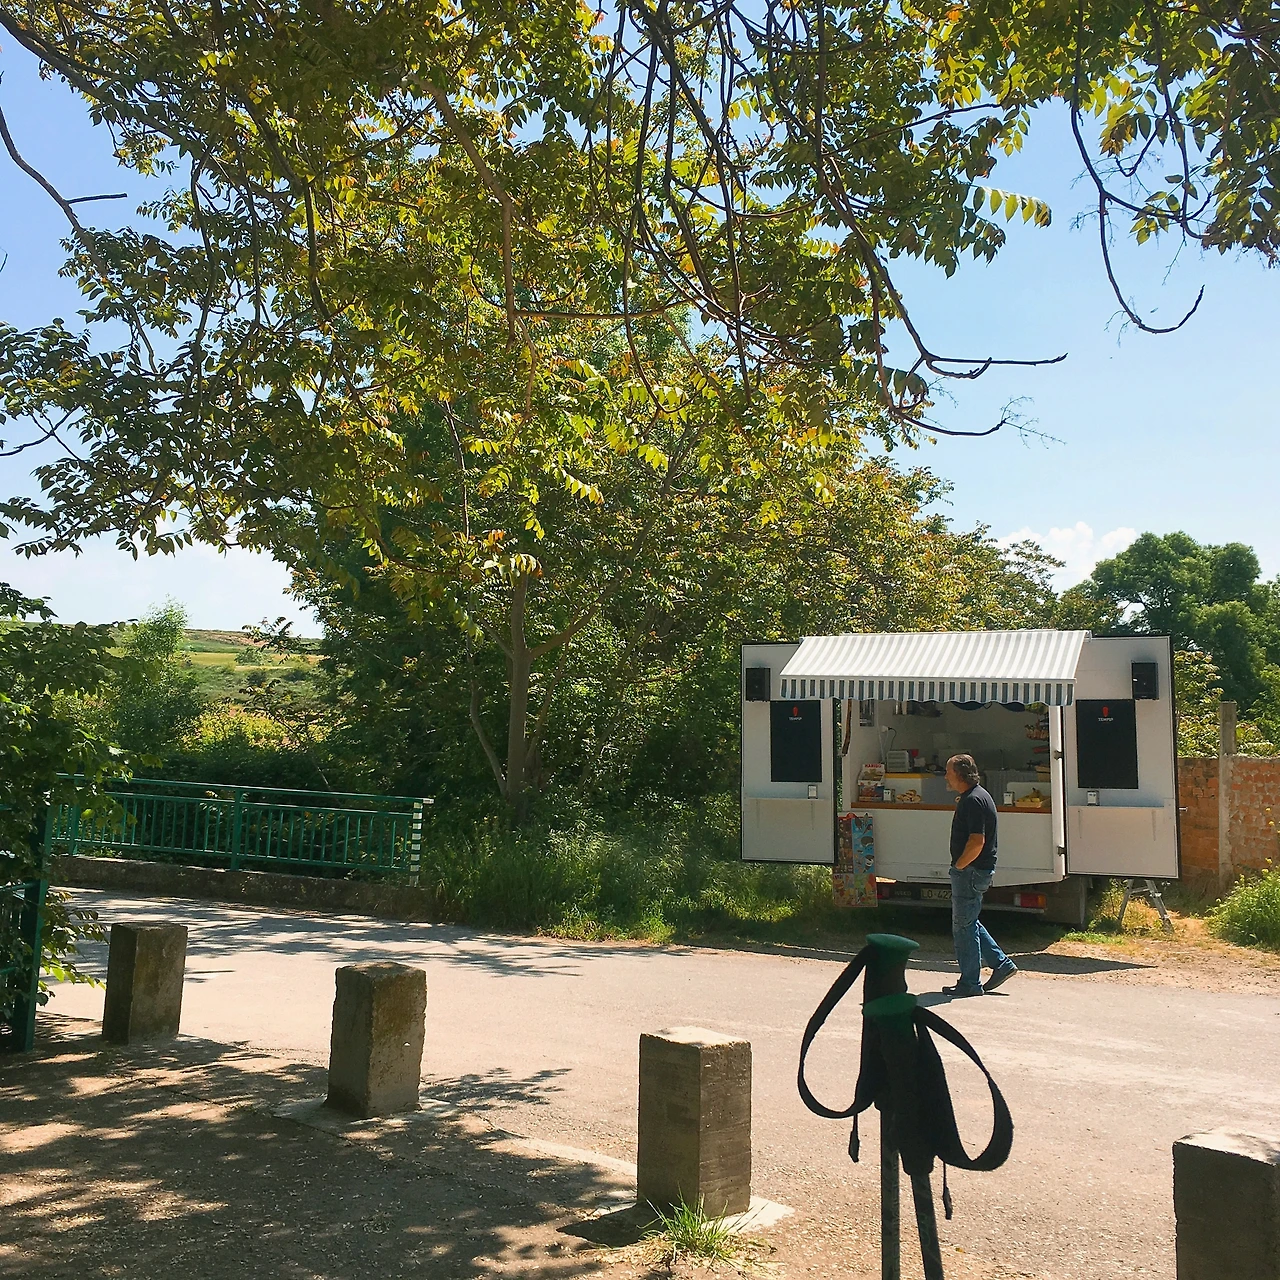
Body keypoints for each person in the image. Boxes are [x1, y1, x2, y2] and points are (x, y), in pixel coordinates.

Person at [943, 753, 1018, 997]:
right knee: (969, 921)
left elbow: (977, 841)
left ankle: (970, 983)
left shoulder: (973, 800)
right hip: (976, 871)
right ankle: (1001, 964)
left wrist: (959, 866)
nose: (945, 777)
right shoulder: (977, 796)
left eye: (948, 772)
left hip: (971, 872)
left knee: (962, 927)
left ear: (960, 775)